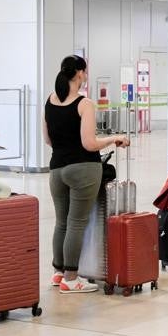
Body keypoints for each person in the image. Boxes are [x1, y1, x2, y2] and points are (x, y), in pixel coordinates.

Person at [44, 56, 130, 293]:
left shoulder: (49, 102)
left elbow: (48, 140)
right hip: (83, 168)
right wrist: (115, 138)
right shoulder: (84, 104)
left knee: (62, 221)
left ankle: (58, 273)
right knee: (77, 222)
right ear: (80, 74)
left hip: (57, 169)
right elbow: (90, 143)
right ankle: (72, 279)